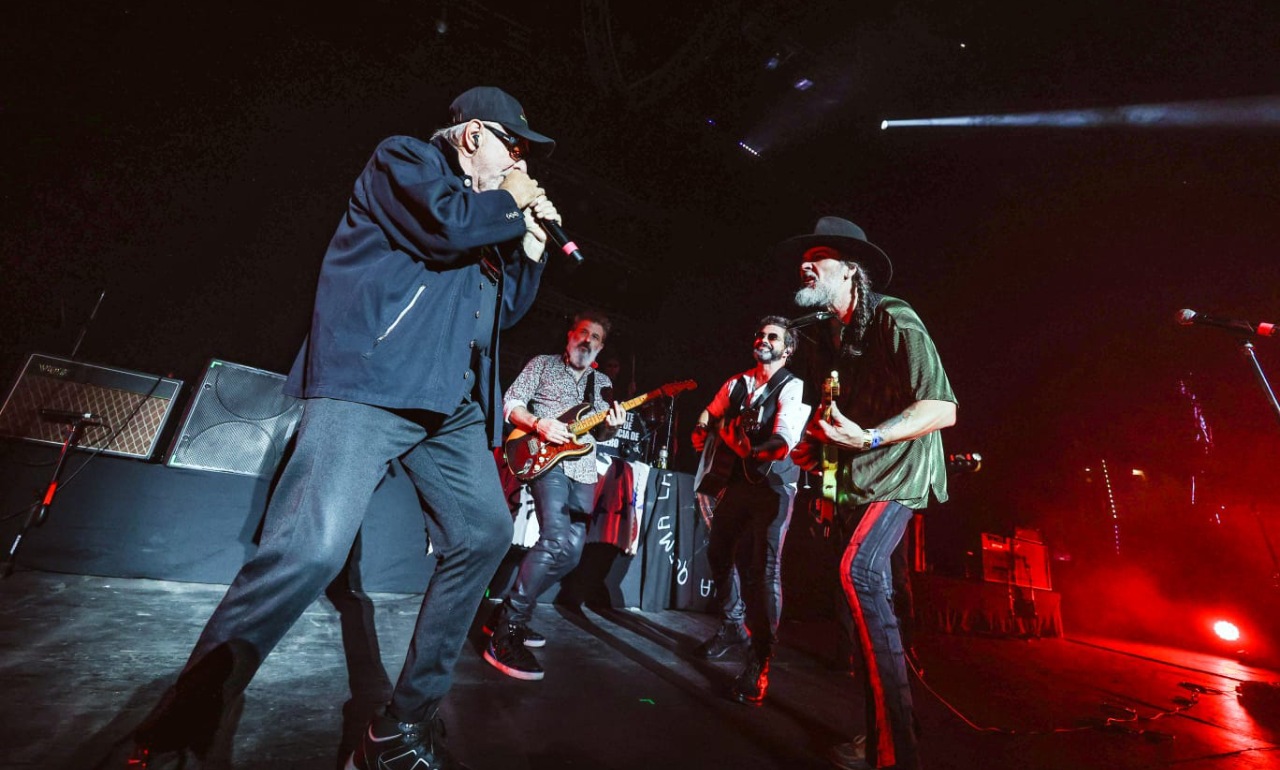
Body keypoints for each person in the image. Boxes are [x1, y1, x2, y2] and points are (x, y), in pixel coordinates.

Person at [129, 86, 561, 770]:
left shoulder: (489, 220)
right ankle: (181, 726)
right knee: (312, 550)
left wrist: (531, 249)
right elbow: (446, 225)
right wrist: (510, 200)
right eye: (514, 145)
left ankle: (400, 725)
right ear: (474, 135)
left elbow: (498, 316)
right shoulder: (408, 161)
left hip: (449, 405)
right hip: (374, 380)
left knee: (483, 532)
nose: (521, 161)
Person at [786, 217, 957, 770]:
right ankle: (887, 728)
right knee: (860, 599)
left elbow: (942, 408)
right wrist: (820, 464)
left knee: (856, 573)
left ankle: (894, 752)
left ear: (850, 270)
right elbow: (836, 419)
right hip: (857, 478)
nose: (806, 264)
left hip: (901, 471)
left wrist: (873, 435)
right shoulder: (825, 336)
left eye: (820, 256)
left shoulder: (895, 317)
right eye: (804, 257)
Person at [484, 311, 627, 680]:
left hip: (582, 469)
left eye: (595, 337)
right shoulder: (543, 365)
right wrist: (538, 422)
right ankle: (506, 632)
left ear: (601, 346)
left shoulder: (603, 383)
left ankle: (507, 612)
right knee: (555, 538)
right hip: (544, 459)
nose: (587, 341)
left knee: (572, 553)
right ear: (569, 336)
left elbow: (603, 435)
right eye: (582, 333)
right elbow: (510, 402)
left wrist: (612, 424)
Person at [690, 316, 811, 705]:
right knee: (718, 553)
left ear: (787, 349)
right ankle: (731, 626)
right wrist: (702, 426)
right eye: (760, 334)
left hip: (775, 485)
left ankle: (760, 661)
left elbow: (782, 443)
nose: (763, 339)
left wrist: (748, 450)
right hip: (740, 483)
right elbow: (710, 412)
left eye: (772, 336)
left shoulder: (793, 388)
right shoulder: (737, 382)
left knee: (764, 571)